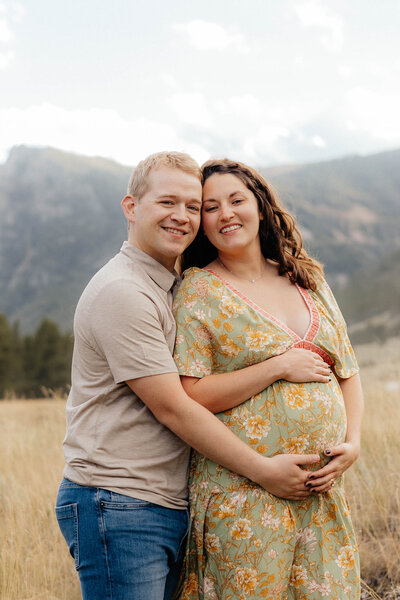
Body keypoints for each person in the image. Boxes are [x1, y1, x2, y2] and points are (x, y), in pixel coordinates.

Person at [55, 151, 329, 600]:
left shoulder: (170, 285)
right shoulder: (124, 291)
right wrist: (264, 471)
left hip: (162, 502)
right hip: (120, 502)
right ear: (131, 207)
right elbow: (175, 407)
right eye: (166, 203)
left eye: (192, 206)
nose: (181, 217)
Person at [173, 158, 364, 599]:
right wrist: (277, 366)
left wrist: (352, 444)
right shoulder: (197, 292)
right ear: (200, 223)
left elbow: (348, 372)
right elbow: (191, 395)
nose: (226, 214)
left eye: (236, 200)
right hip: (244, 495)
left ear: (260, 206)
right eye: (210, 207)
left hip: (320, 494)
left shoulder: (306, 278)